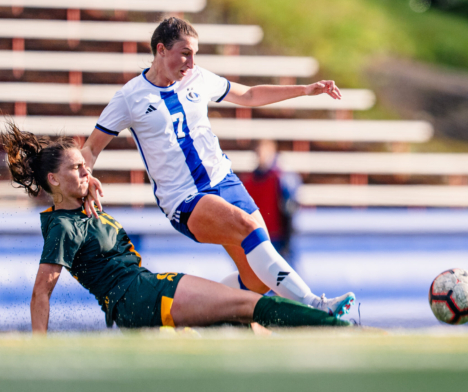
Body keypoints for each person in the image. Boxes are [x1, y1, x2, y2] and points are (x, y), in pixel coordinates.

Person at [81, 17, 355, 319]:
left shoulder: (197, 78)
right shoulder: (131, 96)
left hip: (224, 180)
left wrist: (305, 90)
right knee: (249, 229)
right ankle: (316, 305)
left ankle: (211, 316)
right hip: (184, 198)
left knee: (255, 279)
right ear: (161, 49)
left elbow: (248, 95)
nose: (191, 61)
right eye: (185, 53)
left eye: (195, 53)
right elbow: (91, 147)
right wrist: (84, 180)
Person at [1, 122, 353, 333]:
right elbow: (40, 293)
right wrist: (39, 345)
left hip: (140, 295)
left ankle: (313, 340)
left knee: (237, 319)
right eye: (77, 168)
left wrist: (83, 186)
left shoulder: (78, 209)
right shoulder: (62, 225)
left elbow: (79, 204)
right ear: (53, 180)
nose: (86, 172)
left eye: (85, 166)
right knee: (247, 304)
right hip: (139, 296)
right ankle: (331, 325)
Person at [241, 139, 301, 261]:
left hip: (276, 236)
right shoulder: (248, 181)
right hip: (257, 235)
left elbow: (289, 210)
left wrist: (287, 240)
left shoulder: (281, 178)